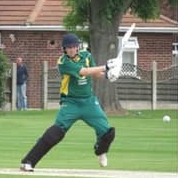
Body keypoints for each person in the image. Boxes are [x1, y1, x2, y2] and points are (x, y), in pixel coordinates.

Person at [20, 33, 122, 171]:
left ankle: (100, 151)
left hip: (89, 102)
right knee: (55, 133)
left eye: (74, 46)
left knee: (107, 132)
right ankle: (28, 162)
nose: (72, 49)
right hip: (71, 103)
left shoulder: (86, 56)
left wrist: (108, 76)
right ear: (64, 49)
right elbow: (83, 72)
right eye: (69, 47)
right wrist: (106, 67)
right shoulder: (63, 62)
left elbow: (94, 73)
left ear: (78, 47)